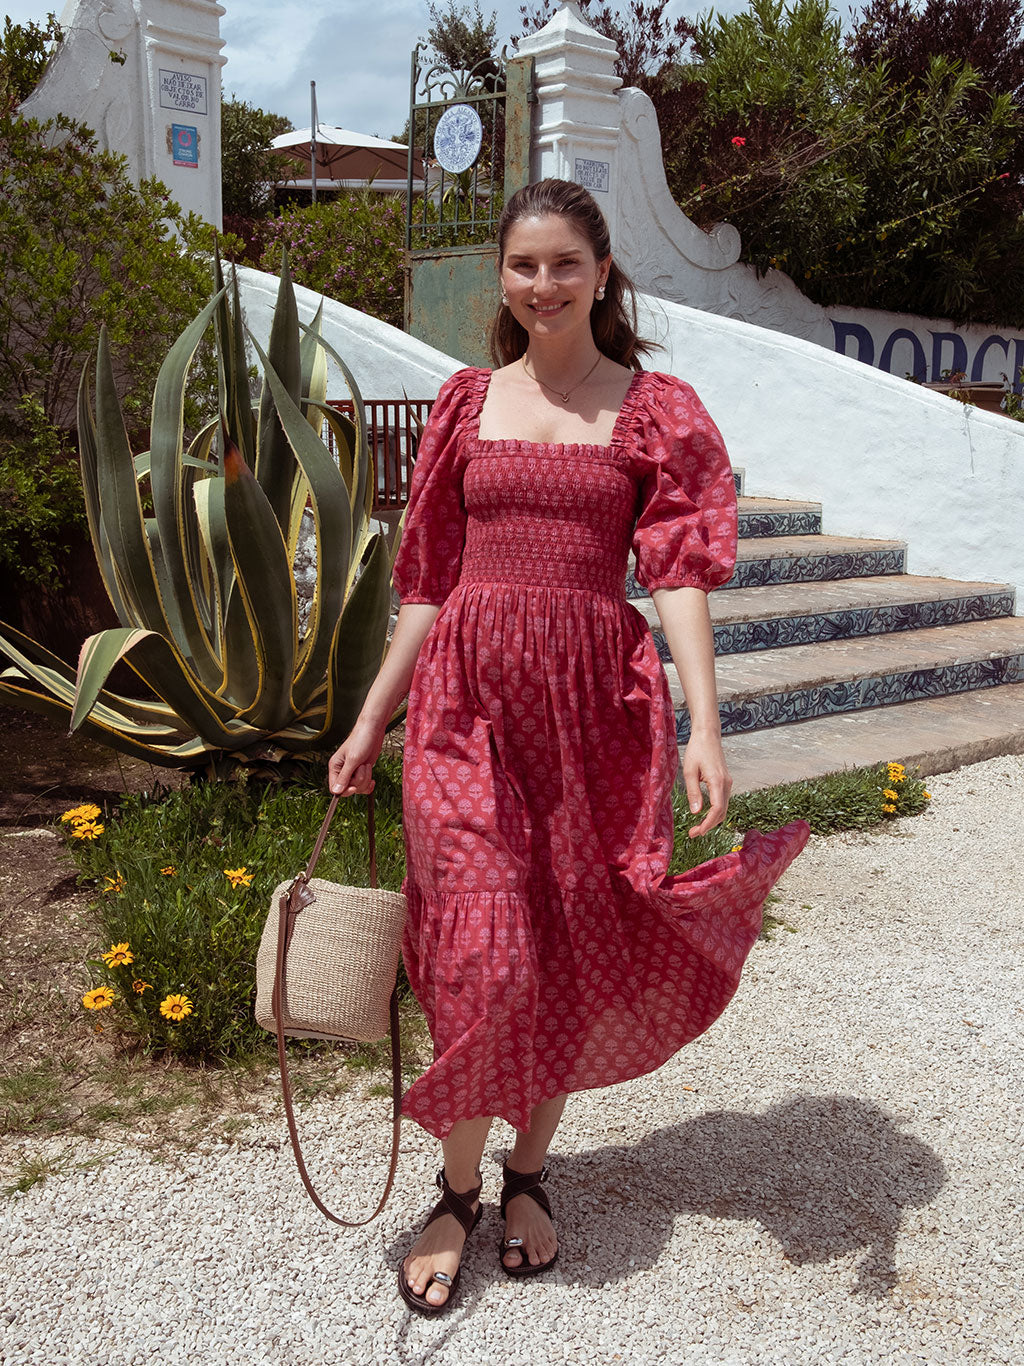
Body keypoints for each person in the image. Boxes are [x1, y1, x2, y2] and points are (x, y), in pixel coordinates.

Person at [328, 178, 809, 1315]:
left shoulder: (654, 410)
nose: (542, 284)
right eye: (522, 265)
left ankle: (527, 1173)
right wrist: (372, 716)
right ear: (501, 277)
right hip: (466, 705)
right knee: (483, 950)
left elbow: (679, 574)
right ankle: (455, 1194)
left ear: (601, 274)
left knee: (562, 938)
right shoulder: (464, 403)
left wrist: (703, 722)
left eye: (564, 264)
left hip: (594, 708)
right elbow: (427, 582)